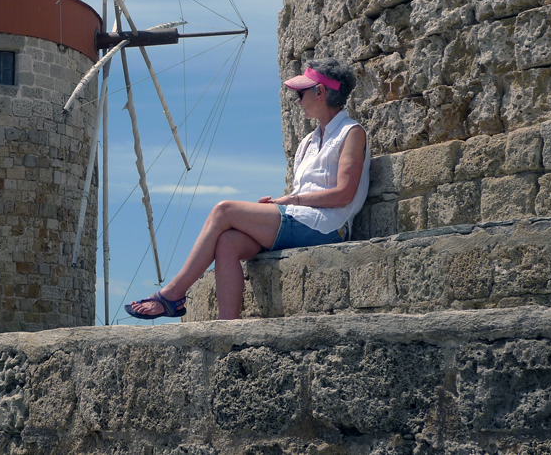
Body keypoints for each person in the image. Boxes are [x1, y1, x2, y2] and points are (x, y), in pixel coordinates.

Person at [126, 58, 370, 321]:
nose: (297, 101)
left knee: (224, 210)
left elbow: (344, 194)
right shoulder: (308, 142)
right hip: (301, 219)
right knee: (227, 241)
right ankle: (226, 328)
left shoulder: (351, 133)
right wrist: (281, 205)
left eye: (301, 93)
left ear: (320, 92)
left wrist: (290, 200)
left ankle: (172, 294)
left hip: (329, 228)